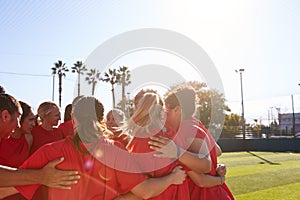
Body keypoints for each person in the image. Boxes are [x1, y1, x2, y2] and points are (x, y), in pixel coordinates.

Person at [0, 96, 186, 199]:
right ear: (101, 120)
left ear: (73, 119)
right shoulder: (116, 151)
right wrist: (173, 178)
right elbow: (144, 191)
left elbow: (7, 189)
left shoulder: (51, 152)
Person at [149, 85, 234, 200]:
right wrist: (217, 170)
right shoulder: (195, 124)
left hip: (204, 195)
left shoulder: (185, 129)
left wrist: (177, 152)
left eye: (166, 109)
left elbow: (201, 179)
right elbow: (217, 151)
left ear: (177, 110)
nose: (164, 114)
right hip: (217, 192)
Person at [126, 92, 211, 199]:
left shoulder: (137, 142)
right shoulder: (173, 136)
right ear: (162, 111)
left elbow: (141, 190)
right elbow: (205, 166)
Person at [0, 93, 80, 189]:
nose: (18, 125)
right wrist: (41, 176)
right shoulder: (33, 134)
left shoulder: (29, 138)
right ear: (5, 116)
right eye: (18, 118)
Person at [0, 101, 35, 200]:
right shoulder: (2, 137)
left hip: (18, 194)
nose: (33, 124)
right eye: (30, 120)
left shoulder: (29, 139)